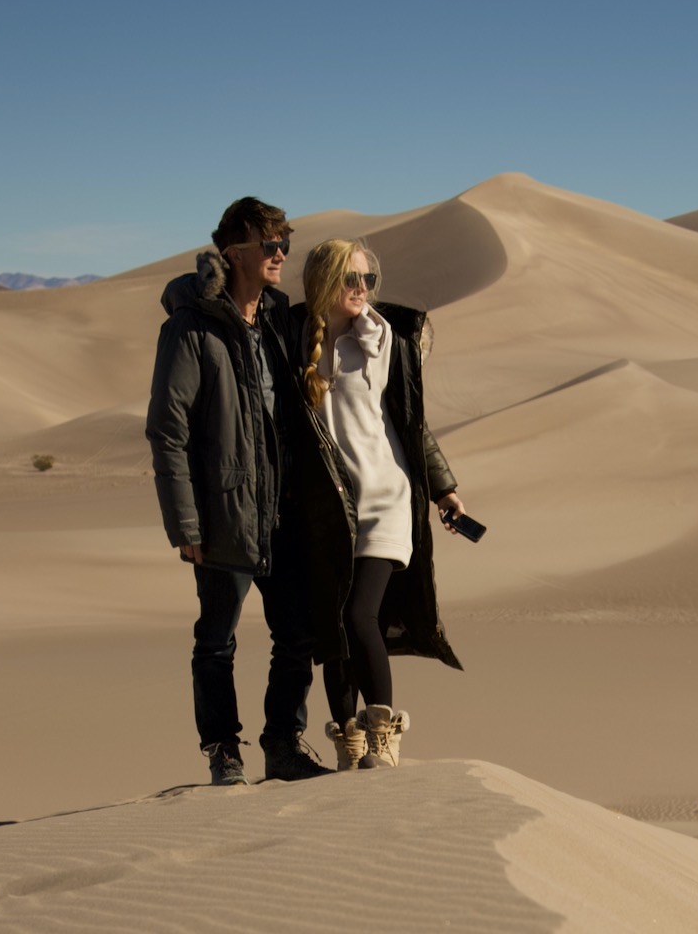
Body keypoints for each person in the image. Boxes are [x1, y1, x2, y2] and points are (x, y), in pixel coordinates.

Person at [145, 197, 331, 785]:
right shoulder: (190, 329)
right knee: (217, 640)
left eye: (284, 244)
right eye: (269, 246)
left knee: (297, 634)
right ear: (234, 254)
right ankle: (224, 751)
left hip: (283, 511)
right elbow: (167, 430)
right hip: (224, 512)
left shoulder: (277, 322)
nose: (281, 255)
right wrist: (186, 526)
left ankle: (282, 743)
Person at [292, 238, 466, 771]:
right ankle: (349, 740)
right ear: (324, 281)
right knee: (333, 625)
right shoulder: (293, 341)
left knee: (358, 613)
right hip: (330, 510)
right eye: (351, 279)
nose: (361, 290)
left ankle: (383, 729)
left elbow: (412, 423)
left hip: (387, 496)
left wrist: (443, 487)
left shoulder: (387, 339)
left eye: (368, 279)